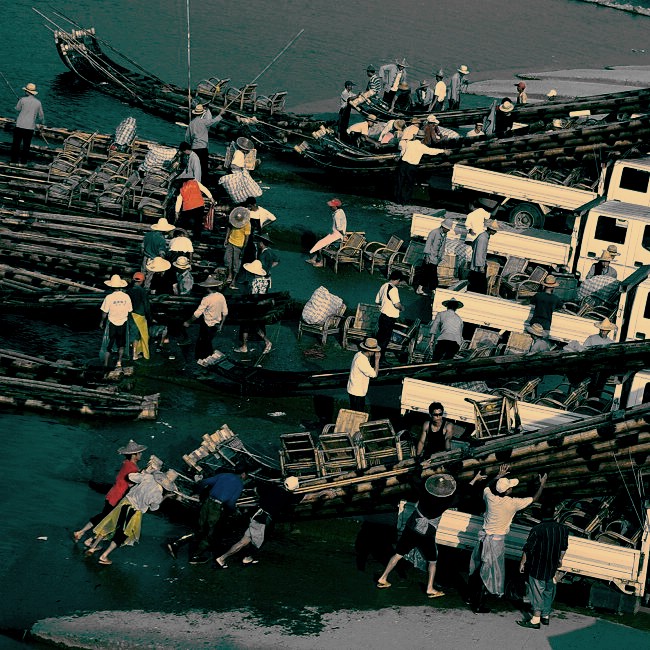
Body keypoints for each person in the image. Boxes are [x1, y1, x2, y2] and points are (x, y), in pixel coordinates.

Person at [377, 473, 485, 597]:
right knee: (432, 561)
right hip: (427, 533)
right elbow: (464, 492)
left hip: (412, 527)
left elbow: (414, 478)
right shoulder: (448, 501)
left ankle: (383, 578)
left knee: (398, 554)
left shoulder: (423, 493)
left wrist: (421, 464)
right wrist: (475, 479)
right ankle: (429, 588)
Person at [468, 464, 547, 613]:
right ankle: (478, 604)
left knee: (478, 568)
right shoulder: (513, 503)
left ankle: (471, 597)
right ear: (508, 490)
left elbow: (486, 485)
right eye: (511, 487)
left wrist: (498, 475)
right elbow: (535, 498)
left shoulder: (490, 498)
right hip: (495, 542)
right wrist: (542, 485)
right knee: (489, 572)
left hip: (483, 539)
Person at [87, 469, 179, 565]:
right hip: (134, 512)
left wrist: (144, 472)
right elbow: (153, 508)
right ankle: (104, 556)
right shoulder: (158, 495)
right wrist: (165, 497)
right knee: (123, 534)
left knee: (109, 523)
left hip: (123, 503)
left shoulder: (148, 477)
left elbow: (131, 476)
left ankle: (93, 547)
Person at [73, 439, 147, 546]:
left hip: (112, 494)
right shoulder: (132, 467)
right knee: (109, 520)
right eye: (139, 453)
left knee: (103, 516)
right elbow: (132, 484)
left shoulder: (126, 463)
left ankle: (82, 533)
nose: (141, 454)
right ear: (134, 455)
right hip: (118, 497)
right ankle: (89, 539)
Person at [215, 476, 299, 567]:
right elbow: (293, 504)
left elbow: (257, 489)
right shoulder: (287, 497)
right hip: (261, 521)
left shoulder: (273, 488)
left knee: (244, 542)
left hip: (256, 516)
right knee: (258, 543)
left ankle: (224, 558)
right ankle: (246, 558)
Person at [517, 501, 568, 629]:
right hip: (552, 566)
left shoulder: (537, 529)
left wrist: (522, 563)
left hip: (538, 566)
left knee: (537, 592)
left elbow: (528, 549)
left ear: (541, 514)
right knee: (548, 590)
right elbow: (563, 548)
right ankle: (546, 616)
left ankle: (535, 620)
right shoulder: (563, 529)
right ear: (555, 514)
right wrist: (560, 561)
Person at [189, 468, 248, 564]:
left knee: (200, 528)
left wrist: (197, 494)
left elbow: (203, 482)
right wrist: (234, 511)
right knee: (210, 533)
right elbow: (231, 503)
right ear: (243, 474)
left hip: (207, 502)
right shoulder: (239, 484)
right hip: (216, 507)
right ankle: (195, 556)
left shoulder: (224, 475)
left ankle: (178, 543)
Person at [184, 275, 228, 360]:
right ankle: (208, 358)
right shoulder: (221, 296)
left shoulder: (206, 299)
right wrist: (221, 325)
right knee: (208, 342)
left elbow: (197, 313)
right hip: (216, 324)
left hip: (207, 324)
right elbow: (225, 312)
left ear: (207, 288)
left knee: (202, 343)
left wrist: (188, 322)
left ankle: (203, 360)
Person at [234, 259, 273, 355]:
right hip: (261, 306)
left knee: (246, 325)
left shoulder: (254, 282)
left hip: (252, 306)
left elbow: (252, 296)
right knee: (255, 326)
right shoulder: (266, 281)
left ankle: (245, 346)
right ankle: (264, 342)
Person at [395, 134, 448, 205]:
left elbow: (402, 150)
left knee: (400, 182)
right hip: (412, 167)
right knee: (409, 184)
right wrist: (443, 151)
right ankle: (405, 201)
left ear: (415, 137)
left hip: (403, 164)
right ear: (422, 140)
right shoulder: (422, 147)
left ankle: (397, 200)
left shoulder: (409, 143)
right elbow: (431, 151)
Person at [99, 275, 133, 368]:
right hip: (123, 321)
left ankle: (106, 363)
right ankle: (119, 361)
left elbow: (104, 312)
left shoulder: (109, 297)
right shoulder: (126, 296)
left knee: (109, 344)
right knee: (121, 344)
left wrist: (102, 322)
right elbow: (130, 310)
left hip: (112, 322)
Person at [185, 104, 224, 182]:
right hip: (202, 148)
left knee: (195, 166)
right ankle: (202, 183)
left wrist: (189, 146)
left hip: (194, 148)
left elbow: (187, 138)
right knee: (203, 167)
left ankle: (193, 181)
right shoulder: (204, 122)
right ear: (202, 113)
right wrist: (220, 114)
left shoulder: (191, 123)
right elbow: (214, 121)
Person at [218, 137, 262, 204]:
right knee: (241, 187)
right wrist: (242, 169)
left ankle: (241, 199)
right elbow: (234, 165)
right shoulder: (239, 154)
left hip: (237, 171)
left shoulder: (239, 152)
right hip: (237, 172)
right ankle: (241, 199)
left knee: (240, 187)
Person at [415, 218, 452, 296]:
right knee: (429, 274)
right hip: (430, 257)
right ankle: (430, 289)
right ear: (443, 227)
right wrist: (427, 256)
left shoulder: (444, 235)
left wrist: (441, 256)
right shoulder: (434, 232)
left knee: (430, 274)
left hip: (436, 258)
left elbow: (443, 246)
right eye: (447, 229)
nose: (448, 230)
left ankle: (427, 289)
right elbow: (428, 244)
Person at [307, 198, 347, 267]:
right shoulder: (341, 211)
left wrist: (344, 235)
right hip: (335, 234)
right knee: (320, 242)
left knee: (322, 244)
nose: (330, 207)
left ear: (335, 206)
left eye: (332, 206)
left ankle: (321, 262)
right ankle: (314, 258)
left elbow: (339, 228)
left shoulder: (337, 215)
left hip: (337, 235)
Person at [11, 82, 44, 165]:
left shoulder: (22, 100)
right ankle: (23, 163)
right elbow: (41, 116)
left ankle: (13, 162)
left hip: (19, 125)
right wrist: (41, 124)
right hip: (30, 127)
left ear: (26, 91)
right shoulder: (38, 103)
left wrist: (20, 102)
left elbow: (17, 109)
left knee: (16, 144)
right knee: (26, 146)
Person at [375, 271, 405, 361]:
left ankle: (376, 356)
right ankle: (380, 359)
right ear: (398, 280)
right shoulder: (393, 289)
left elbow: (377, 300)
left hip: (382, 316)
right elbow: (397, 304)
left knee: (380, 337)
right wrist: (402, 308)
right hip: (389, 318)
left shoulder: (384, 286)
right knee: (385, 340)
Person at [347, 337, 381, 411]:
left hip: (353, 388)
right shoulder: (362, 360)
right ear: (370, 351)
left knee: (354, 410)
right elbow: (374, 374)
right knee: (358, 412)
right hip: (357, 391)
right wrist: (377, 360)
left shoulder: (358, 354)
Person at [174, 177, 213, 241]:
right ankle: (196, 238)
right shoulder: (195, 182)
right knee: (198, 223)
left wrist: (176, 212)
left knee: (184, 223)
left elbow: (179, 201)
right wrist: (211, 198)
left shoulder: (181, 188)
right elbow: (205, 189)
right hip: (199, 205)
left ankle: (181, 236)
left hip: (188, 207)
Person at [142, 217, 175, 288]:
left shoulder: (147, 235)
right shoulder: (161, 239)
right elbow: (161, 252)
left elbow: (142, 247)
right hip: (154, 259)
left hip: (146, 257)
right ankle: (146, 289)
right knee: (149, 277)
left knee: (143, 273)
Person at [223, 206, 251, 288]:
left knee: (236, 263)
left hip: (239, 245)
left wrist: (243, 249)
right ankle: (230, 275)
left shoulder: (247, 224)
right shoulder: (233, 218)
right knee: (227, 259)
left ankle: (234, 280)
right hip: (231, 242)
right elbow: (229, 227)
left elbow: (247, 238)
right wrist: (226, 238)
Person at [468, 219, 498, 294]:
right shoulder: (483, 238)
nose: (496, 232)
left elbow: (474, 245)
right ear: (491, 230)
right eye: (495, 230)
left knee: (475, 284)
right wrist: (480, 267)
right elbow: (479, 253)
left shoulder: (483, 236)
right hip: (478, 266)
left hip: (478, 265)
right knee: (479, 286)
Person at [126, 272, 151, 361]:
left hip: (130, 314)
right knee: (142, 335)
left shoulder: (128, 291)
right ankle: (137, 354)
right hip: (140, 315)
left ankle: (134, 352)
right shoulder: (142, 291)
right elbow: (146, 305)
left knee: (133, 334)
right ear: (142, 281)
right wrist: (150, 317)